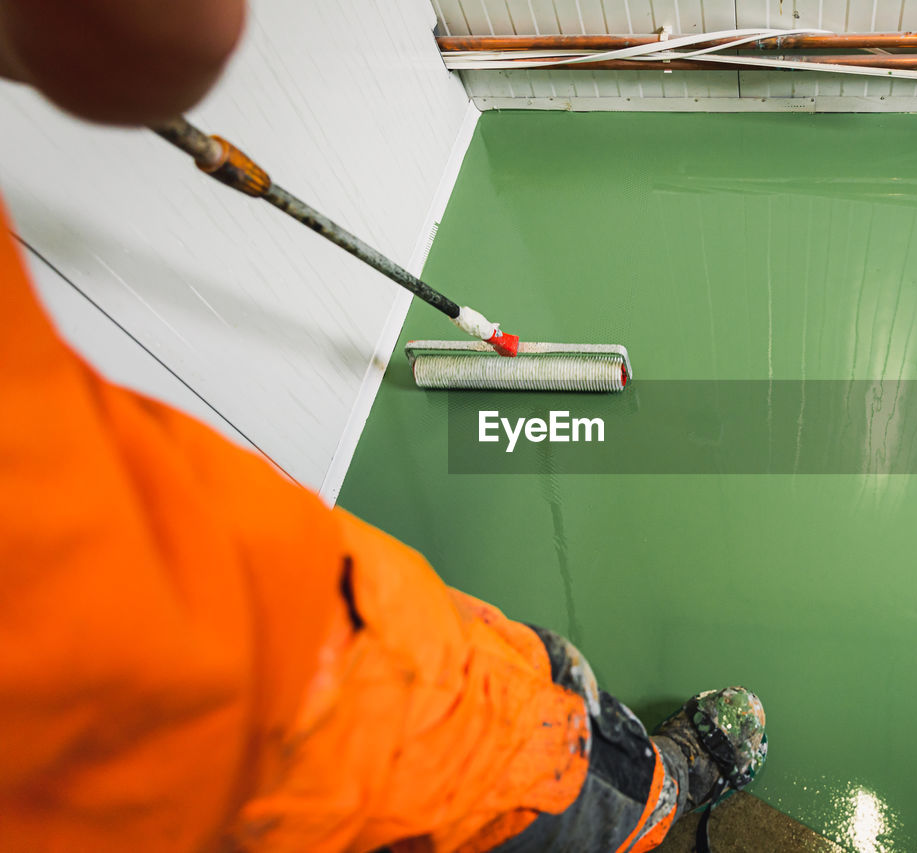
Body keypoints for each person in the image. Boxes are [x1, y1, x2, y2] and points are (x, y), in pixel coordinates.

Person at [0, 1, 766, 850]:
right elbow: (178, 37)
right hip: (313, 714)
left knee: (505, 689)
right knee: (559, 756)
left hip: (241, 685)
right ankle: (662, 792)